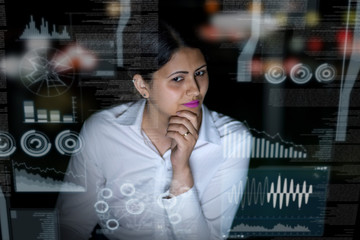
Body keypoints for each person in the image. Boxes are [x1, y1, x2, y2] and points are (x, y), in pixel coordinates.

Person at [56, 20, 251, 240]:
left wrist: (182, 171)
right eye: (178, 79)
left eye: (200, 74)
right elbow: (71, 225)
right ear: (142, 86)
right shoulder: (103, 131)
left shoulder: (231, 139)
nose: (195, 90)